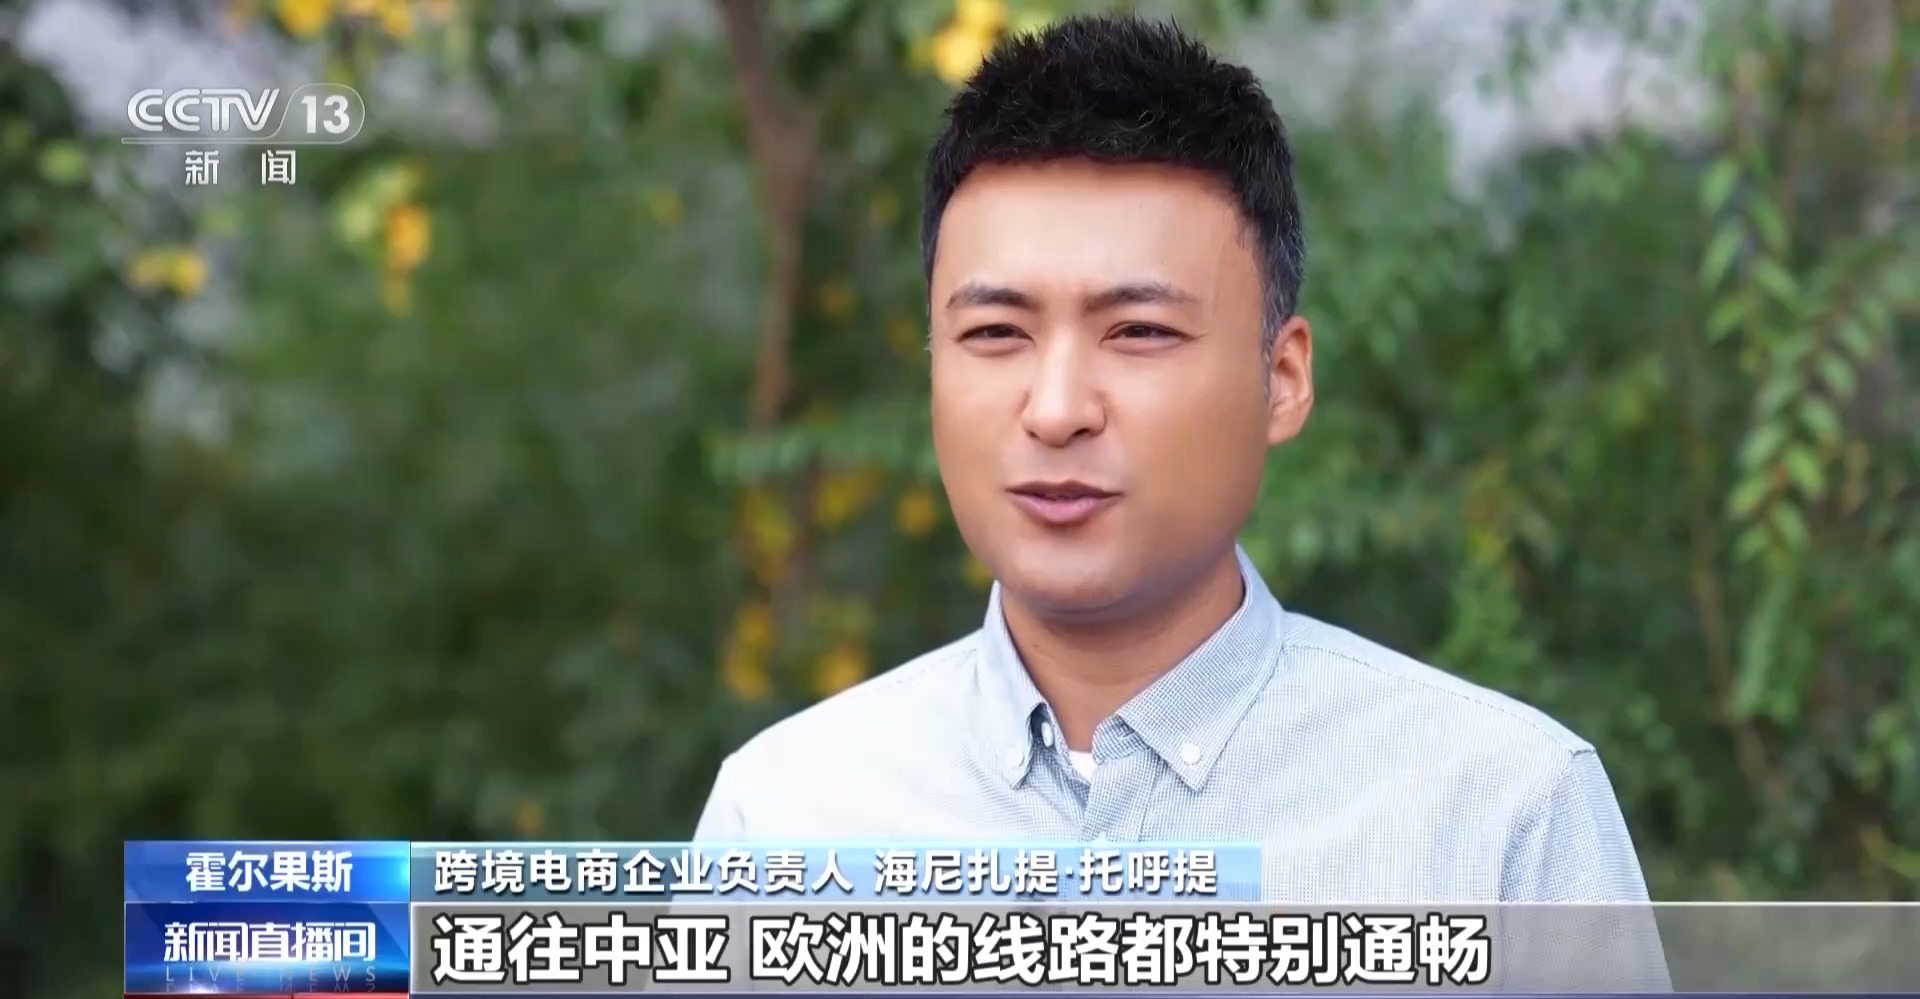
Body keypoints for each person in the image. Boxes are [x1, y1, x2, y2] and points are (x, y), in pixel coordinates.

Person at [694, 13, 1654, 907]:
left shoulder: (1498, 819)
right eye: (996, 332)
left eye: (1140, 331)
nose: (1057, 410)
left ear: (1283, 378)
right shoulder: (782, 820)